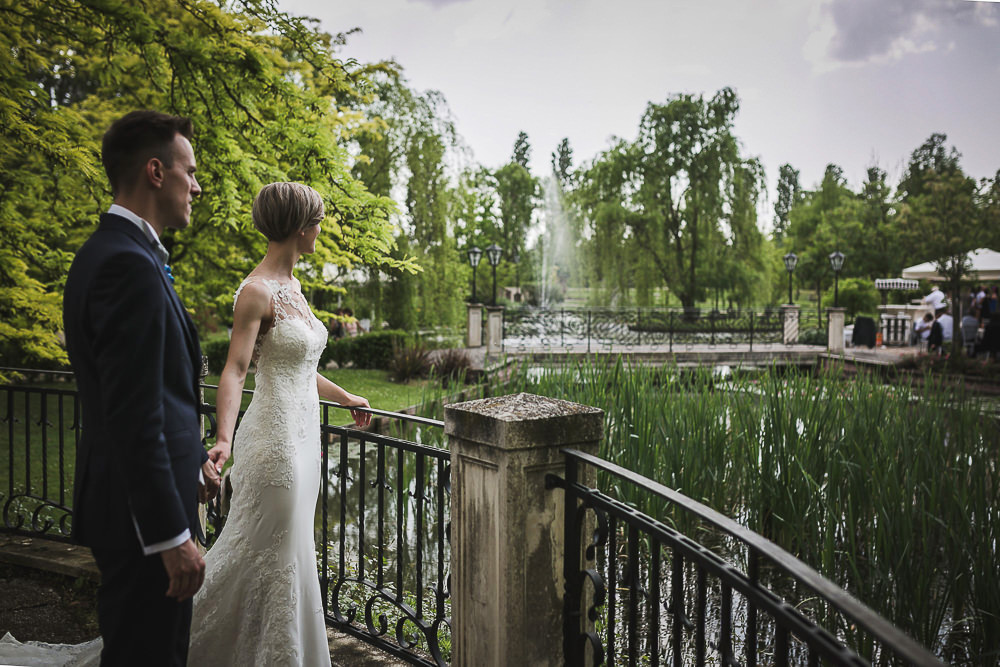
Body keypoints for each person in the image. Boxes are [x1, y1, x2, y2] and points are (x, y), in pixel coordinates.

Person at [187, 182, 372, 665]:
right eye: (316, 220)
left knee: (289, 552)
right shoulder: (256, 292)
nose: (320, 228)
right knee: (271, 554)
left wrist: (346, 395)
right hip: (275, 446)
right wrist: (223, 438)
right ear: (296, 226)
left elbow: (302, 369)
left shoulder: (294, 288)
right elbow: (235, 369)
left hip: (305, 440)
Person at [61, 110, 219, 665]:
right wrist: (171, 538)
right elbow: (133, 417)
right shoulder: (126, 265)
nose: (196, 185)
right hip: (141, 528)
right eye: (190, 171)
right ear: (156, 171)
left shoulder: (115, 253)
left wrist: (194, 457)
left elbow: (158, 392)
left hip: (140, 510)